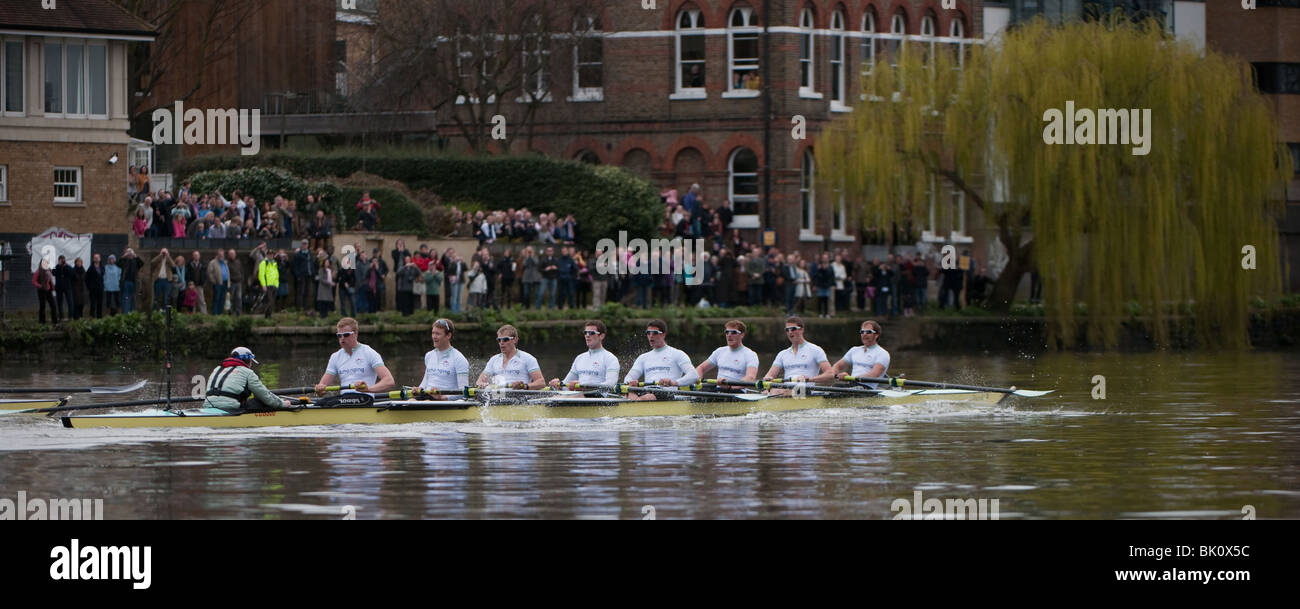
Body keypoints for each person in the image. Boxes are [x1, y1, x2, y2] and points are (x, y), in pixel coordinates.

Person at [315, 317, 397, 396]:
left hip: (364, 398)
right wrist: (320, 389)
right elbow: (322, 387)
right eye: (339, 335)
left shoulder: (369, 353)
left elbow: (389, 381)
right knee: (321, 403)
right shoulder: (335, 357)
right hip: (344, 400)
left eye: (346, 335)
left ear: (355, 334)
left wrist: (368, 389)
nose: (342, 339)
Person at [202, 347, 295, 413]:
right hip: (231, 408)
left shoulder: (217, 369)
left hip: (208, 405)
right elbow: (265, 396)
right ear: (248, 362)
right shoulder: (248, 372)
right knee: (260, 401)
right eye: (251, 362)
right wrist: (283, 404)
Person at [624, 319, 698, 401]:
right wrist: (631, 383)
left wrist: (673, 383)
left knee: (648, 397)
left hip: (667, 393)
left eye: (655, 333)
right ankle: (635, 403)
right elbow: (629, 377)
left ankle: (635, 404)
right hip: (646, 392)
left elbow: (693, 375)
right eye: (648, 333)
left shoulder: (678, 354)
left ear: (664, 335)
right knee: (628, 392)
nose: (651, 336)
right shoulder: (643, 357)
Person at [762, 316, 834, 394]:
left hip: (806, 391)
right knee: (766, 392)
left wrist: (810, 379)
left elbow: (830, 374)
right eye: (787, 330)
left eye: (793, 329)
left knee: (777, 391)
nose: (790, 332)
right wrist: (767, 379)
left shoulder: (816, 350)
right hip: (786, 392)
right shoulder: (782, 354)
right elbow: (769, 375)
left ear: (802, 329)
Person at [548, 320, 621, 390]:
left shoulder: (610, 358)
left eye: (591, 333)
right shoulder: (579, 358)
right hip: (580, 396)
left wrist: (583, 386)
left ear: (601, 336)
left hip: (599, 398)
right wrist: (559, 385)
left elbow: (610, 385)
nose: (587, 335)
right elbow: (566, 385)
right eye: (585, 332)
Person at [476, 324, 546, 390]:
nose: (501, 343)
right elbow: (479, 382)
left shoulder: (528, 358)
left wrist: (525, 386)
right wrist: (482, 385)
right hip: (497, 399)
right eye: (499, 340)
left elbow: (541, 382)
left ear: (515, 339)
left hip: (520, 399)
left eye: (505, 339)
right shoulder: (494, 360)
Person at [416, 319, 470, 399]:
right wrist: (418, 389)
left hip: (444, 402)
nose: (434, 337)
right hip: (427, 397)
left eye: (438, 334)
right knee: (409, 401)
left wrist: (443, 397)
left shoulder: (459, 359)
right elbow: (424, 384)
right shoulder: (429, 355)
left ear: (448, 335)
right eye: (433, 333)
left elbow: (464, 392)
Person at [695, 320, 760, 385]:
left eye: (733, 332)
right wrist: (697, 381)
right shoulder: (719, 351)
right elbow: (701, 368)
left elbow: (750, 377)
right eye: (727, 332)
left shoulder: (750, 355)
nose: (729, 335)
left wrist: (730, 387)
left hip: (737, 392)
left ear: (742, 335)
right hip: (718, 390)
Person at [830, 320, 891, 388]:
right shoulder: (854, 350)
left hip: (868, 388)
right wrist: (836, 375)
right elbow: (837, 365)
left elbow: (874, 374)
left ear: (876, 335)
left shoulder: (882, 353)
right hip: (852, 385)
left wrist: (850, 378)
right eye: (862, 332)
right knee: (834, 387)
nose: (864, 334)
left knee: (838, 389)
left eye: (868, 332)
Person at [32, 260, 58, 324]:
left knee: (53, 305)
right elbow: (34, 281)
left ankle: (54, 321)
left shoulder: (48, 271)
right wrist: (40, 286)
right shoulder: (38, 272)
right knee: (42, 306)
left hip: (48, 290)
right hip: (41, 291)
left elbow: (51, 280)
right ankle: (42, 322)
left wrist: (53, 288)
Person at [256, 247, 279, 319]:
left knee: (272, 302)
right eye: (269, 254)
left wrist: (276, 284)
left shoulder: (274, 263)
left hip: (274, 285)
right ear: (267, 255)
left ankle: (269, 316)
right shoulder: (263, 263)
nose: (270, 256)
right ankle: (265, 315)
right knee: (270, 301)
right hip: (267, 285)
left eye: (272, 254)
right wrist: (263, 285)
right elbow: (261, 275)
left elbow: (276, 274)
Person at [119, 248, 141, 313]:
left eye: (130, 253)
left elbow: (141, 263)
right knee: (126, 298)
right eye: (128, 253)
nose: (130, 254)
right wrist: (124, 256)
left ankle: (132, 313)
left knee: (133, 298)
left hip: (134, 282)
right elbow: (118, 263)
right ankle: (126, 313)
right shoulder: (124, 261)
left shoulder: (135, 261)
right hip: (126, 282)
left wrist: (135, 256)